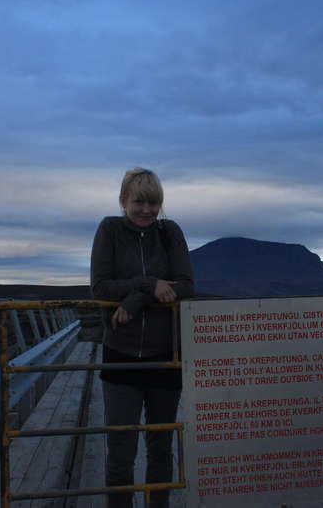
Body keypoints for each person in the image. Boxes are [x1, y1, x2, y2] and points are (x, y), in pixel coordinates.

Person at [90, 168, 194, 508]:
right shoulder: (109, 230)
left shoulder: (169, 231)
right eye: (139, 202)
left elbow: (186, 285)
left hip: (165, 355)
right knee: (121, 450)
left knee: (161, 447)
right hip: (121, 354)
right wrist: (150, 284)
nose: (147, 210)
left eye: (154, 203)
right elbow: (100, 288)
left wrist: (135, 299)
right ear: (123, 201)